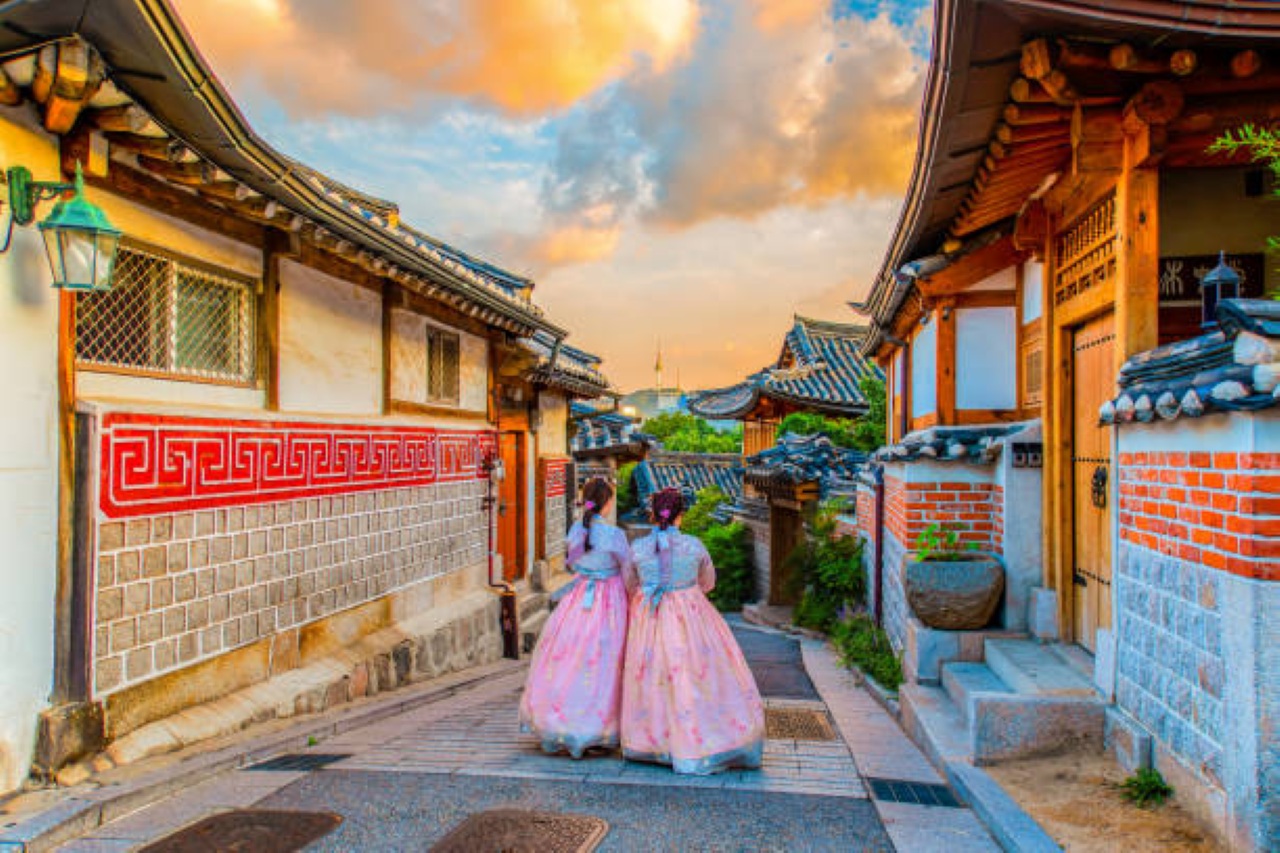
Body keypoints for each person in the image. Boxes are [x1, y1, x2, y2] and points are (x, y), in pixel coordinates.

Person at [621, 487, 764, 775]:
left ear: (651, 514)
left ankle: (652, 741)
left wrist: (651, 591)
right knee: (699, 673)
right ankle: (703, 737)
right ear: (680, 515)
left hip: (651, 615)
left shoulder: (637, 548)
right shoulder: (694, 546)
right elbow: (708, 582)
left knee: (653, 674)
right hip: (691, 614)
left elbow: (629, 584)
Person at [519, 478, 635, 757]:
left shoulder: (575, 532)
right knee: (605, 660)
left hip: (579, 599)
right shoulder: (615, 536)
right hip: (608, 601)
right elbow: (628, 571)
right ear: (607, 502)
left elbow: (571, 564)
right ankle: (599, 726)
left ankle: (561, 720)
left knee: (571, 659)